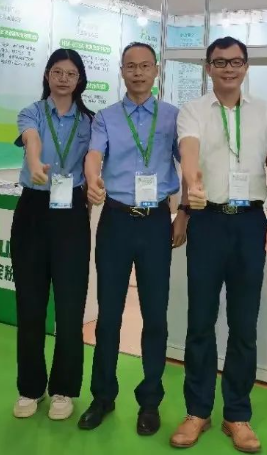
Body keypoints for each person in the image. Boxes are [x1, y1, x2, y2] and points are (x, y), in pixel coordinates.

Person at [170, 36, 267, 453]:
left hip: (250, 223)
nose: (228, 69)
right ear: (208, 68)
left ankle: (237, 414)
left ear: (246, 66)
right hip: (208, 221)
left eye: (236, 62)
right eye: (220, 62)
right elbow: (189, 150)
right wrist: (192, 181)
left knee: (244, 323)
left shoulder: (265, 113)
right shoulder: (193, 110)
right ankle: (197, 411)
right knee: (200, 320)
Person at [78, 42, 187, 436]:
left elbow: (190, 163)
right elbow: (94, 155)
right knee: (108, 315)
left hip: (156, 222)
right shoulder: (106, 117)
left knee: (155, 316)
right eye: (130, 66)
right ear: (121, 71)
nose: (138, 73)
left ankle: (150, 401)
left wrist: (184, 212)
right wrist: (93, 179)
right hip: (116, 221)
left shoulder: (173, 117)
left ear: (156, 70)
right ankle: (102, 397)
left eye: (144, 66)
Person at [12, 48, 94, 421]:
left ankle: (64, 388)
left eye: (71, 73)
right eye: (57, 72)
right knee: (30, 305)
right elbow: (32, 140)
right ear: (47, 75)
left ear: (80, 80)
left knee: (70, 305)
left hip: (71, 212)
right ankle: (30, 388)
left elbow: (93, 162)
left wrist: (95, 184)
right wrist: (34, 163)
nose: (63, 79)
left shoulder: (90, 121)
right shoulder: (31, 111)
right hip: (33, 209)